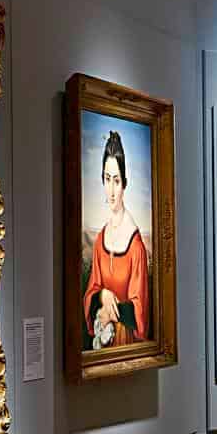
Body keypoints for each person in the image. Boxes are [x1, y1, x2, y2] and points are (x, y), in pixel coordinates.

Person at [83, 130, 149, 349]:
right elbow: (90, 292)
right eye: (107, 179)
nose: (111, 190)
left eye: (116, 181)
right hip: (102, 344)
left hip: (124, 342)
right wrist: (102, 295)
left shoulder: (136, 246)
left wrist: (113, 311)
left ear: (124, 184)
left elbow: (140, 311)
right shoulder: (100, 239)